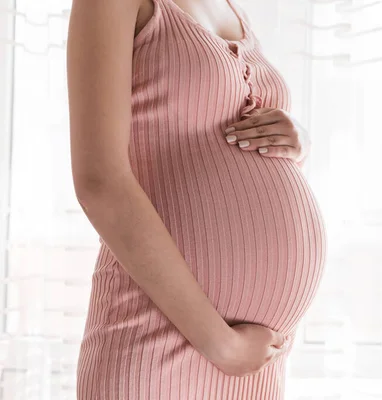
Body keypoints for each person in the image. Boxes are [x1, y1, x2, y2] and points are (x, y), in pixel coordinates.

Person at [66, 0, 327, 398]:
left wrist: (297, 141)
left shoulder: (230, 8)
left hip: (254, 362)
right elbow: (100, 183)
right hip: (159, 343)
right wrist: (219, 342)